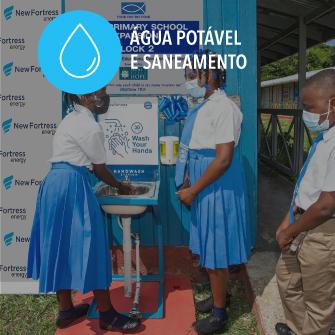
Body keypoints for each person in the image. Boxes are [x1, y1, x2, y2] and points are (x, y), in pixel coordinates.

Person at [27, 87, 141, 333]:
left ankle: (66, 310)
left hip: (54, 184)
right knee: (95, 246)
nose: (105, 95)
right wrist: (123, 186)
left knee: (59, 244)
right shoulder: (90, 126)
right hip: (71, 186)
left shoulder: (71, 119)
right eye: (101, 91)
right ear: (85, 96)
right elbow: (99, 169)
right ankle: (107, 314)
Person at [175, 51, 251, 335]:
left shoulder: (223, 107)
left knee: (217, 249)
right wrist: (187, 173)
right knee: (211, 244)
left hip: (215, 186)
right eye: (186, 76)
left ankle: (220, 315)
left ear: (210, 76)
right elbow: (199, 146)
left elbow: (222, 159)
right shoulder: (205, 106)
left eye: (193, 75)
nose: (188, 81)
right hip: (206, 184)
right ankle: (221, 296)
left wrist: (193, 189)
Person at [275, 69, 335, 335]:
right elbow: (306, 185)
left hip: (321, 233)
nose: (306, 114)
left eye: (310, 107)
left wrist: (291, 231)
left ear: (333, 103)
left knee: (318, 301)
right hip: (301, 222)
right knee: (288, 280)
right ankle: (298, 329)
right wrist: (287, 220)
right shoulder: (325, 138)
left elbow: (326, 204)